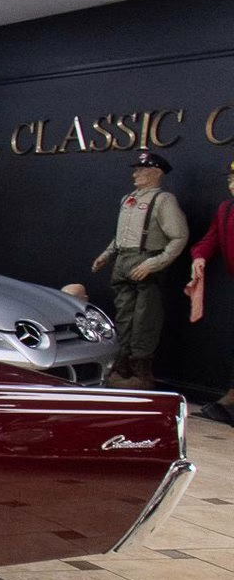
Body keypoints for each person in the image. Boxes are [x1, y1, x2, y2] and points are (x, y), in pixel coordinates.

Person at [91, 149, 185, 390]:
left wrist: (153, 263)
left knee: (145, 319)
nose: (136, 174)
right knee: (124, 316)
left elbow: (178, 237)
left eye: (141, 170)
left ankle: (141, 371)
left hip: (146, 262)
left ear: (156, 172)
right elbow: (121, 236)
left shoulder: (163, 200)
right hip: (123, 262)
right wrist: (107, 254)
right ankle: (122, 366)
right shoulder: (128, 199)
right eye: (136, 170)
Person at [188, 159, 234, 423]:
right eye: (230, 179)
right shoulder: (226, 209)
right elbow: (211, 239)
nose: (231, 184)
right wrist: (200, 256)